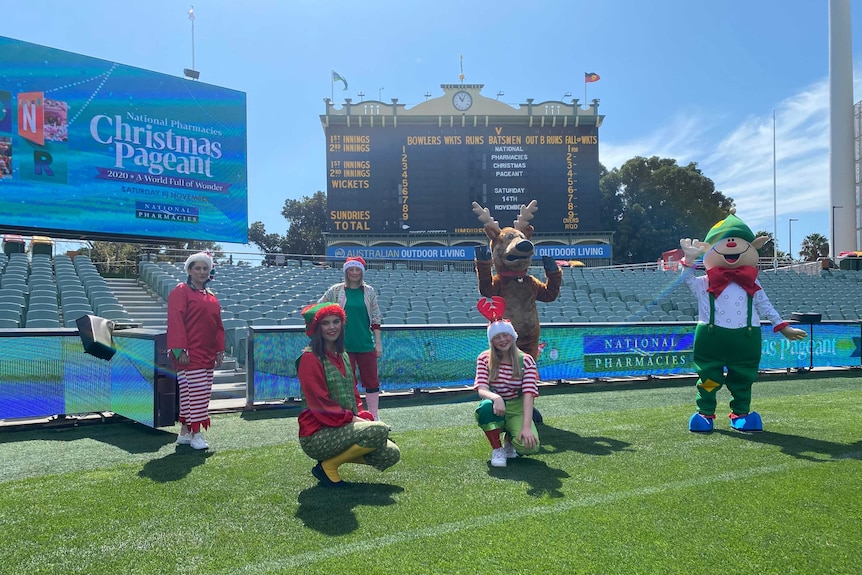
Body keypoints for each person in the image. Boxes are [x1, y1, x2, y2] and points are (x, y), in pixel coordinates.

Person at [296, 302, 400, 487]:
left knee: (391, 453)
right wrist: (361, 423)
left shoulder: (342, 354)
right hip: (317, 434)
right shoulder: (309, 358)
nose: (332, 327)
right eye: (325, 323)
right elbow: (321, 404)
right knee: (378, 430)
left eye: (336, 321)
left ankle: (332, 461)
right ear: (316, 328)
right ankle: (328, 466)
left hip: (343, 427)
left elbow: (353, 395)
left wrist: (362, 418)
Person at [473, 296, 540, 468]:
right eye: (497, 337)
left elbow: (528, 395)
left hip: (517, 407)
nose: (502, 340)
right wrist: (496, 398)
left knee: (529, 447)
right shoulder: (484, 358)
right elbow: (481, 388)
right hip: (496, 406)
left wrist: (525, 427)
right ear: (491, 341)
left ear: (512, 336)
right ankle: (497, 448)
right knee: (484, 408)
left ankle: (510, 441)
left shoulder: (526, 360)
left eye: (506, 335)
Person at [167, 252, 225, 450]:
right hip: (189, 354)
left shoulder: (211, 297)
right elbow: (175, 321)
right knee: (195, 395)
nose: (201, 272)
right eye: (197, 268)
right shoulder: (181, 291)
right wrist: (178, 350)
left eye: (205, 268)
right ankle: (197, 433)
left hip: (208, 353)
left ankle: (184, 432)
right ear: (189, 270)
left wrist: (219, 350)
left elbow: (218, 326)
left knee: (195, 395)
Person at [318, 256, 383, 420]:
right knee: (348, 383)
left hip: (366, 343)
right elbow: (319, 307)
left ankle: (374, 416)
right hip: (343, 346)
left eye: (357, 269)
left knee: (372, 382)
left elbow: (376, 318)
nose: (354, 273)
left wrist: (378, 343)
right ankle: (354, 416)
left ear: (362, 272)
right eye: (351, 269)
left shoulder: (369, 291)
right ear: (346, 271)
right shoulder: (335, 290)